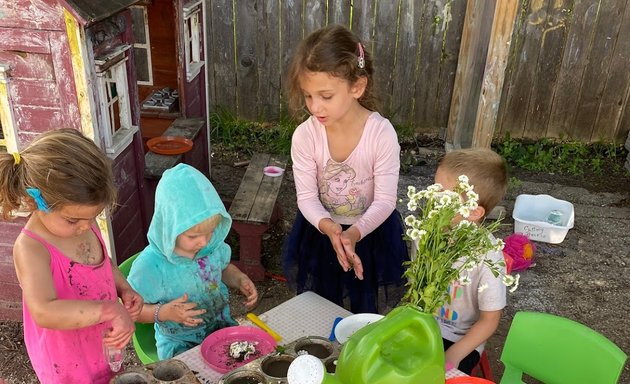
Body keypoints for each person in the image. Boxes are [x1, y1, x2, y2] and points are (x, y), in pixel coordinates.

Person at [0, 129, 143, 384]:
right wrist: (109, 310)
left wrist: (124, 288)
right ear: (38, 202)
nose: (86, 227)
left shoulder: (83, 223)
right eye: (73, 219)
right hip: (65, 361)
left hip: (98, 343)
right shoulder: (32, 249)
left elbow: (102, 265)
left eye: (93, 217)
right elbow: (44, 311)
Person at [282, 24, 408, 314]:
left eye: (325, 96)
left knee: (365, 310)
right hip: (321, 233)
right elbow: (307, 199)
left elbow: (386, 201)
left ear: (357, 87)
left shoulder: (380, 134)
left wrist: (354, 234)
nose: (314, 107)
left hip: (370, 232)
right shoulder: (305, 136)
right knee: (324, 308)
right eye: (307, 96)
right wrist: (331, 229)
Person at [127, 163, 258, 359]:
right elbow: (131, 311)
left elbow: (222, 268)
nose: (204, 241)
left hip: (221, 331)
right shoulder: (151, 266)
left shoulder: (210, 246)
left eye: (210, 232)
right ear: (169, 227)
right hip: (181, 346)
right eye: (193, 236)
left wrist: (239, 279)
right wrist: (163, 313)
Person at [432, 148, 508, 374]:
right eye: (432, 188)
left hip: (461, 341)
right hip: (425, 326)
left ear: (473, 212)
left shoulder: (488, 254)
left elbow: (490, 320)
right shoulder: (427, 235)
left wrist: (453, 355)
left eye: (441, 194)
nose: (431, 198)